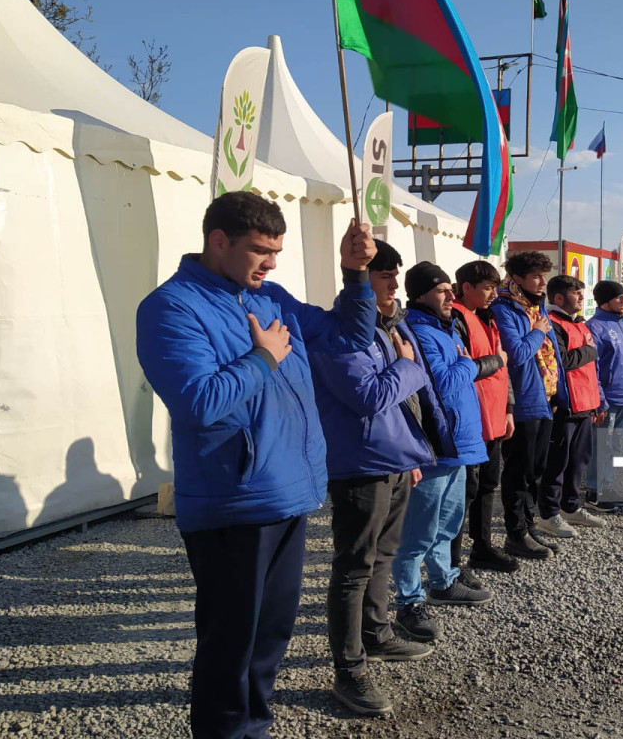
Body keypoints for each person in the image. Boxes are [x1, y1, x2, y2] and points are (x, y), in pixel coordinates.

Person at [135, 191, 376, 738]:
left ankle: (255, 730)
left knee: (269, 641)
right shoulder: (170, 307)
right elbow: (198, 403)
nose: (271, 264)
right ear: (218, 242)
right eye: (260, 251)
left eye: (277, 252)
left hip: (289, 491)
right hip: (232, 503)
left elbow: (349, 336)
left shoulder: (271, 297)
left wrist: (355, 275)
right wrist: (264, 356)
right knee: (230, 648)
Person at [309, 240, 439, 716]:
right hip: (359, 464)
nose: (391, 284)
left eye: (393, 274)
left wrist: (412, 451)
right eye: (382, 275)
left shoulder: (388, 330)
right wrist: (405, 366)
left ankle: (377, 633)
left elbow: (406, 394)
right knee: (354, 567)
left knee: (383, 555)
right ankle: (350, 669)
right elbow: (368, 396)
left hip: (394, 458)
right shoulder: (341, 334)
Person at [394, 262, 493, 643]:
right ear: (421, 295)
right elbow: (445, 383)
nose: (451, 297)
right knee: (417, 530)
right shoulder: (421, 332)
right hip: (438, 445)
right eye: (442, 291)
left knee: (448, 523)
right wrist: (470, 362)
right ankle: (408, 599)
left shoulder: (445, 328)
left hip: (459, 444)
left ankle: (443, 581)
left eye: (451, 290)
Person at [491, 251, 563, 560]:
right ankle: (515, 533)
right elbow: (517, 354)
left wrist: (559, 392)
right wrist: (537, 331)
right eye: (535, 276)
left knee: (536, 469)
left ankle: (529, 525)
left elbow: (552, 353)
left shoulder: (536, 306)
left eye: (543, 276)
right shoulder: (505, 308)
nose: (542, 282)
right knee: (519, 471)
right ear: (516, 278)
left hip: (544, 396)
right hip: (522, 401)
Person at [451, 260, 520, 573]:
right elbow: (463, 369)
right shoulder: (456, 318)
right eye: (488, 288)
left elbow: (502, 370)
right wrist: (497, 360)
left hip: (493, 416)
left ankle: (482, 548)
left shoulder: (486, 318)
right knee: (462, 493)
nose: (495, 293)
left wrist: (508, 409)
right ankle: (451, 563)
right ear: (466, 288)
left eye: (495, 287)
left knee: (487, 486)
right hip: (470, 419)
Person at [535, 275, 608, 538]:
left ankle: (571, 506)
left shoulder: (580, 325)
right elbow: (562, 360)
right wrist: (590, 351)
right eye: (576, 293)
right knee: (557, 463)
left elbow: (592, 368)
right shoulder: (552, 324)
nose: (581, 297)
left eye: (581, 292)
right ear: (558, 298)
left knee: (579, 461)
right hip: (565, 405)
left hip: (586, 404)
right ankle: (548, 513)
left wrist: (599, 400)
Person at [586, 280, 623, 508]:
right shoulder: (595, 327)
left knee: (616, 445)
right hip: (608, 399)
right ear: (606, 301)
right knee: (602, 446)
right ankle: (594, 492)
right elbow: (593, 369)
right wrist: (600, 400)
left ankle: (607, 485)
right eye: (620, 297)